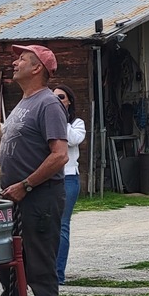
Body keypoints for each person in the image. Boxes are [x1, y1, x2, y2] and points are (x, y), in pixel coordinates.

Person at [0, 44, 68, 296]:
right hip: (14, 199)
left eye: (22, 59)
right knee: (9, 271)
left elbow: (59, 155)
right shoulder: (23, 103)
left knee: (39, 272)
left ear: (37, 68)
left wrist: (26, 185)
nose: (15, 62)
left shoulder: (48, 103)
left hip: (39, 199)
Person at [52, 84, 86, 285]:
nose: (56, 100)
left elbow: (73, 140)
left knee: (62, 225)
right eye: (53, 97)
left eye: (61, 97)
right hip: (48, 177)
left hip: (68, 177)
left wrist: (59, 118)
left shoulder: (77, 123)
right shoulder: (45, 120)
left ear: (69, 101)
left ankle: (58, 274)